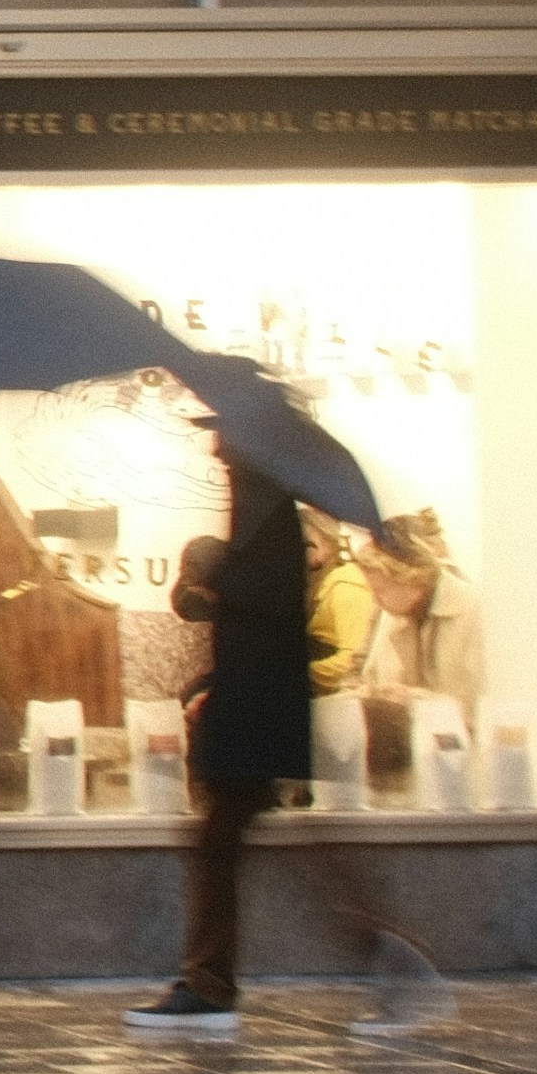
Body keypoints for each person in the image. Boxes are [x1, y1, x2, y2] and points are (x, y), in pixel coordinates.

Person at [136, 434, 334, 1039]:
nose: (215, 446)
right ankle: (209, 981)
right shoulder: (260, 500)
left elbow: (270, 601)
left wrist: (221, 588)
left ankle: (210, 984)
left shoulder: (265, 503)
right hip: (252, 698)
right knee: (238, 843)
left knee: (232, 843)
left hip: (257, 702)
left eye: (224, 431)